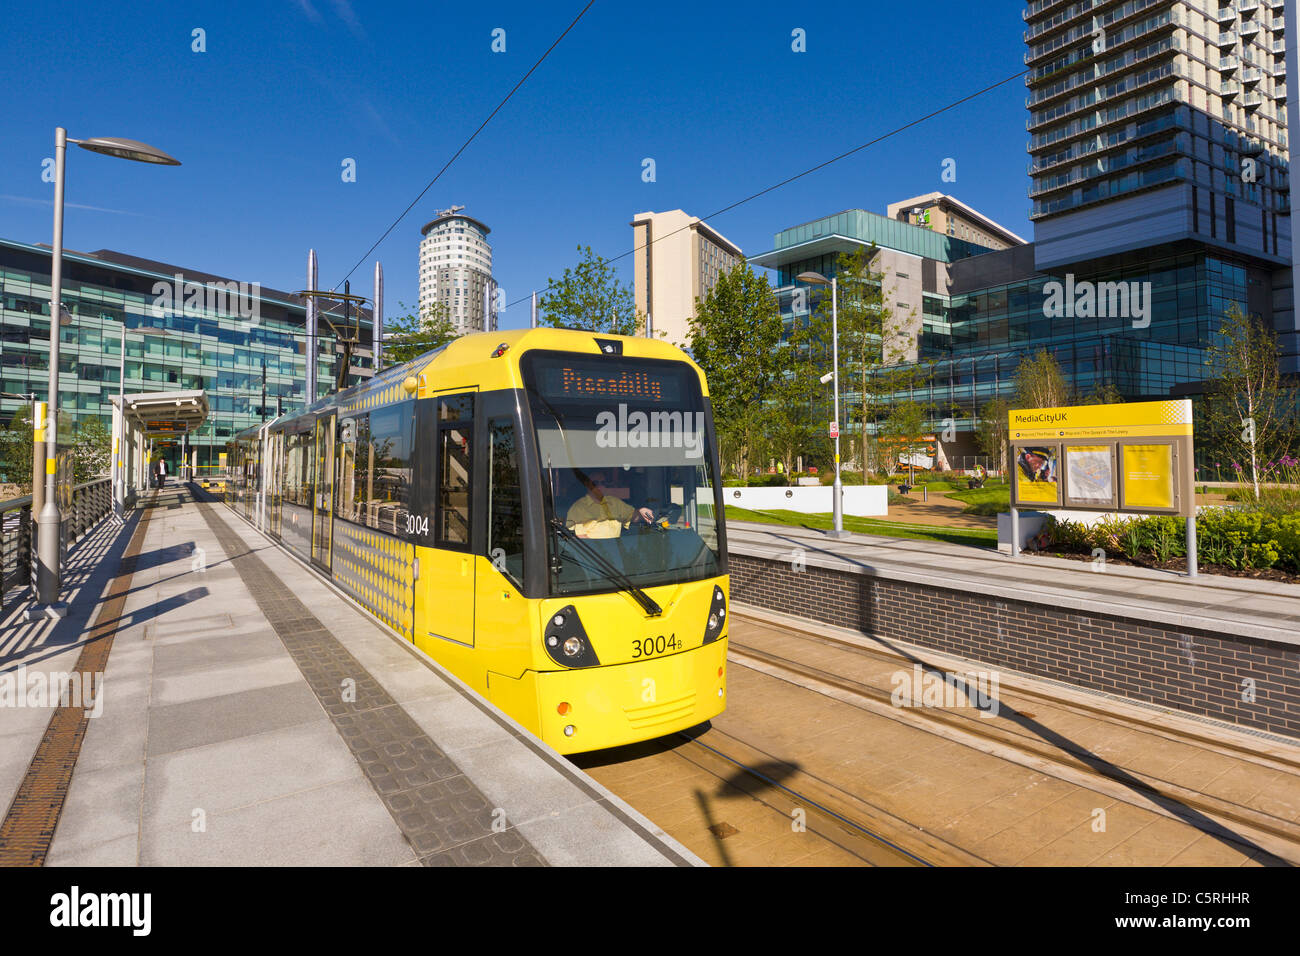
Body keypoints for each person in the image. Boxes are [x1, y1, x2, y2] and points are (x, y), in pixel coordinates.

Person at [566, 469, 654, 539]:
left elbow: (633, 516)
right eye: (596, 483)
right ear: (587, 484)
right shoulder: (578, 508)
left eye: (603, 483)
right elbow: (573, 537)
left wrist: (640, 511)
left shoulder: (614, 502)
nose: (600, 486)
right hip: (591, 554)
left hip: (614, 553)